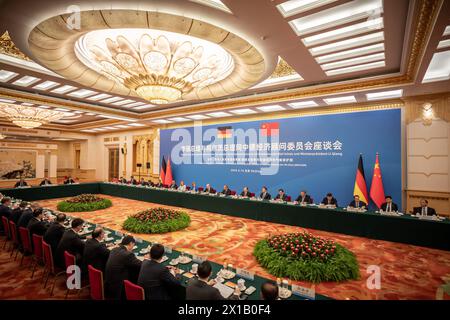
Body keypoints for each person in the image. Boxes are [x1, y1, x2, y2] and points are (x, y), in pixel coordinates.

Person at [105, 235, 142, 300]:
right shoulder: (128, 255)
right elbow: (140, 264)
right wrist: (146, 259)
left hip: (109, 282)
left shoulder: (114, 249)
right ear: (131, 243)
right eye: (133, 245)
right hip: (119, 286)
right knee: (136, 274)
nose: (133, 247)